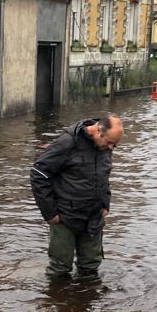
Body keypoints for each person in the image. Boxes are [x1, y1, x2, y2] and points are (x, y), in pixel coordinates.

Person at [30, 115, 123, 278]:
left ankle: (84, 302)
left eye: (115, 144)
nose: (111, 148)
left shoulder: (105, 147)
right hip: (65, 217)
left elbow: (104, 176)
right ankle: (57, 301)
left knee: (90, 269)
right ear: (99, 131)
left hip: (93, 218)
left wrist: (105, 203)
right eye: (109, 142)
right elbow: (39, 174)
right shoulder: (67, 142)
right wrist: (49, 213)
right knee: (59, 270)